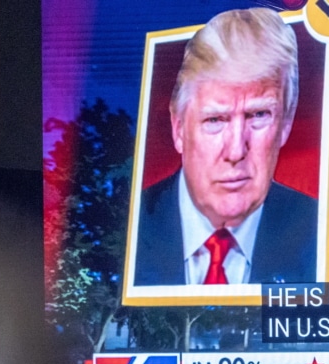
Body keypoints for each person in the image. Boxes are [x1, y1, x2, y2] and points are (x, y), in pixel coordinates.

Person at [133, 7, 317, 287]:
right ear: (179, 127)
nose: (235, 151)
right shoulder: (125, 227)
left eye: (258, 115)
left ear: (286, 122)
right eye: (215, 119)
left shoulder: (319, 231)